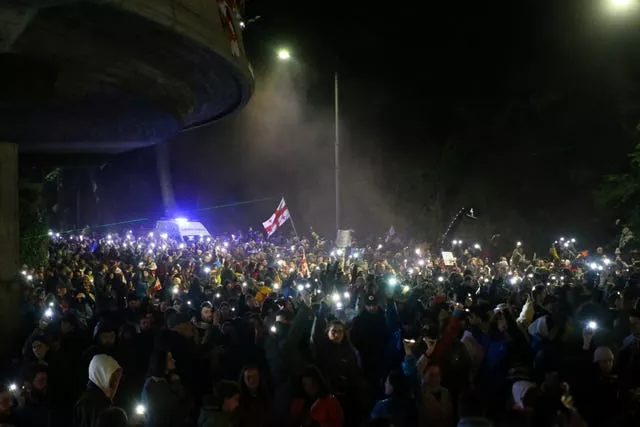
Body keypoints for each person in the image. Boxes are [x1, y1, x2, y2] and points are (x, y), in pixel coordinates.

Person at [140, 349, 189, 427]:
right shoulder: (162, 392)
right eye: (170, 359)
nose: (174, 360)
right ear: (162, 364)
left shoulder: (150, 382)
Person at [74, 354, 123, 427]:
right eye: (111, 384)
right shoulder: (87, 404)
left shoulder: (104, 400)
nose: (114, 389)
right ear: (100, 376)